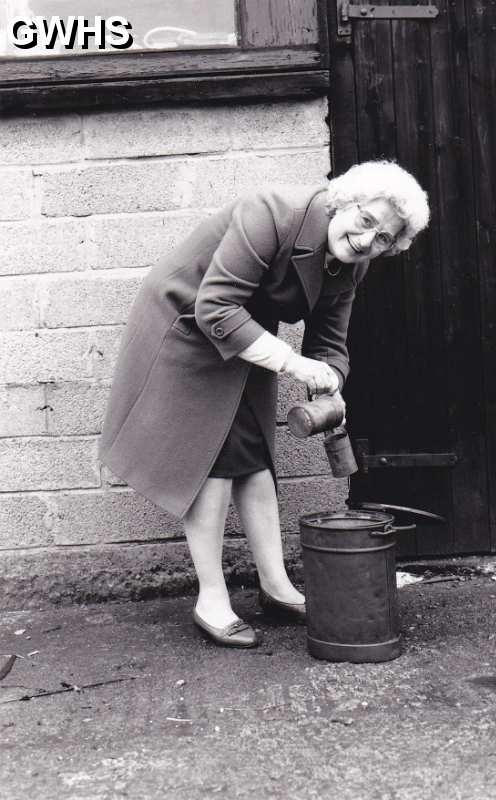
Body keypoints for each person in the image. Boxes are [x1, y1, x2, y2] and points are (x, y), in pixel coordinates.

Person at [98, 160, 430, 648]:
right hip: (190, 320)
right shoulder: (271, 212)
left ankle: (275, 586)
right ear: (343, 202)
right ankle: (211, 599)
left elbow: (330, 343)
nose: (366, 240)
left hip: (247, 331)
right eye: (366, 221)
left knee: (253, 453)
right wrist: (296, 367)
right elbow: (215, 307)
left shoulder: (350, 268)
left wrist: (330, 378)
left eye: (383, 239)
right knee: (208, 458)